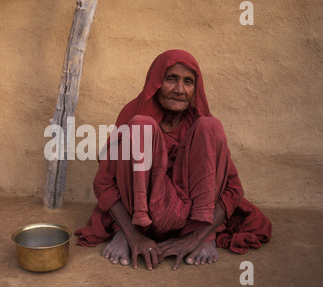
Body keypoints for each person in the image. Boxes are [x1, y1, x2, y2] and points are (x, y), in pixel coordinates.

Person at [74, 50, 272, 271]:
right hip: (140, 216)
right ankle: (126, 232)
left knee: (211, 125)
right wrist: (132, 235)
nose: (179, 90)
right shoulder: (134, 113)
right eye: (171, 79)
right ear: (156, 83)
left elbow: (232, 189)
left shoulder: (199, 123)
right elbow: (104, 183)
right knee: (141, 125)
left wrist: (197, 237)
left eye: (188, 82)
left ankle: (204, 236)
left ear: (196, 89)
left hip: (191, 218)